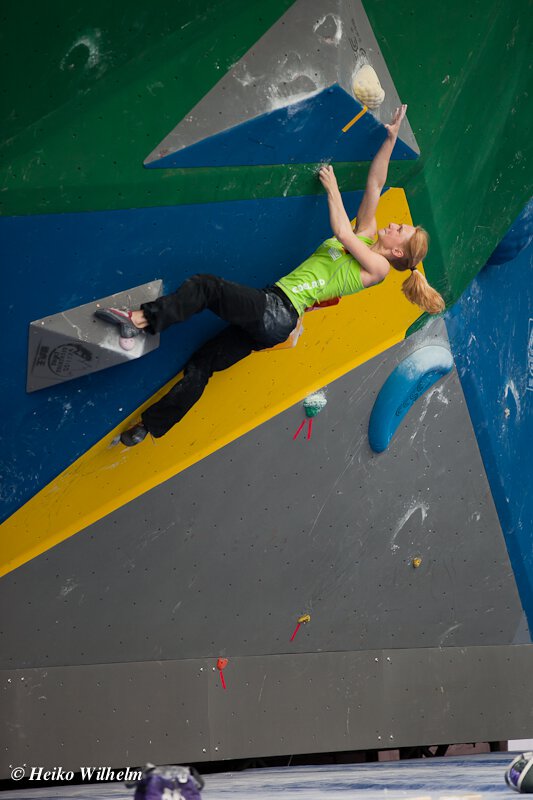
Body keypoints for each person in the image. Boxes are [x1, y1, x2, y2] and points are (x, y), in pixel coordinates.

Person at [96, 105, 445, 446]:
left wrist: (333, 189)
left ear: (398, 253)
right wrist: (390, 139)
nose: (394, 224)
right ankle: (148, 427)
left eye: (400, 230)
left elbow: (341, 232)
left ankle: (140, 321)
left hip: (278, 310)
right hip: (275, 321)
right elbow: (375, 182)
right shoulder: (367, 234)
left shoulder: (378, 268)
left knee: (205, 287)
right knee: (202, 365)